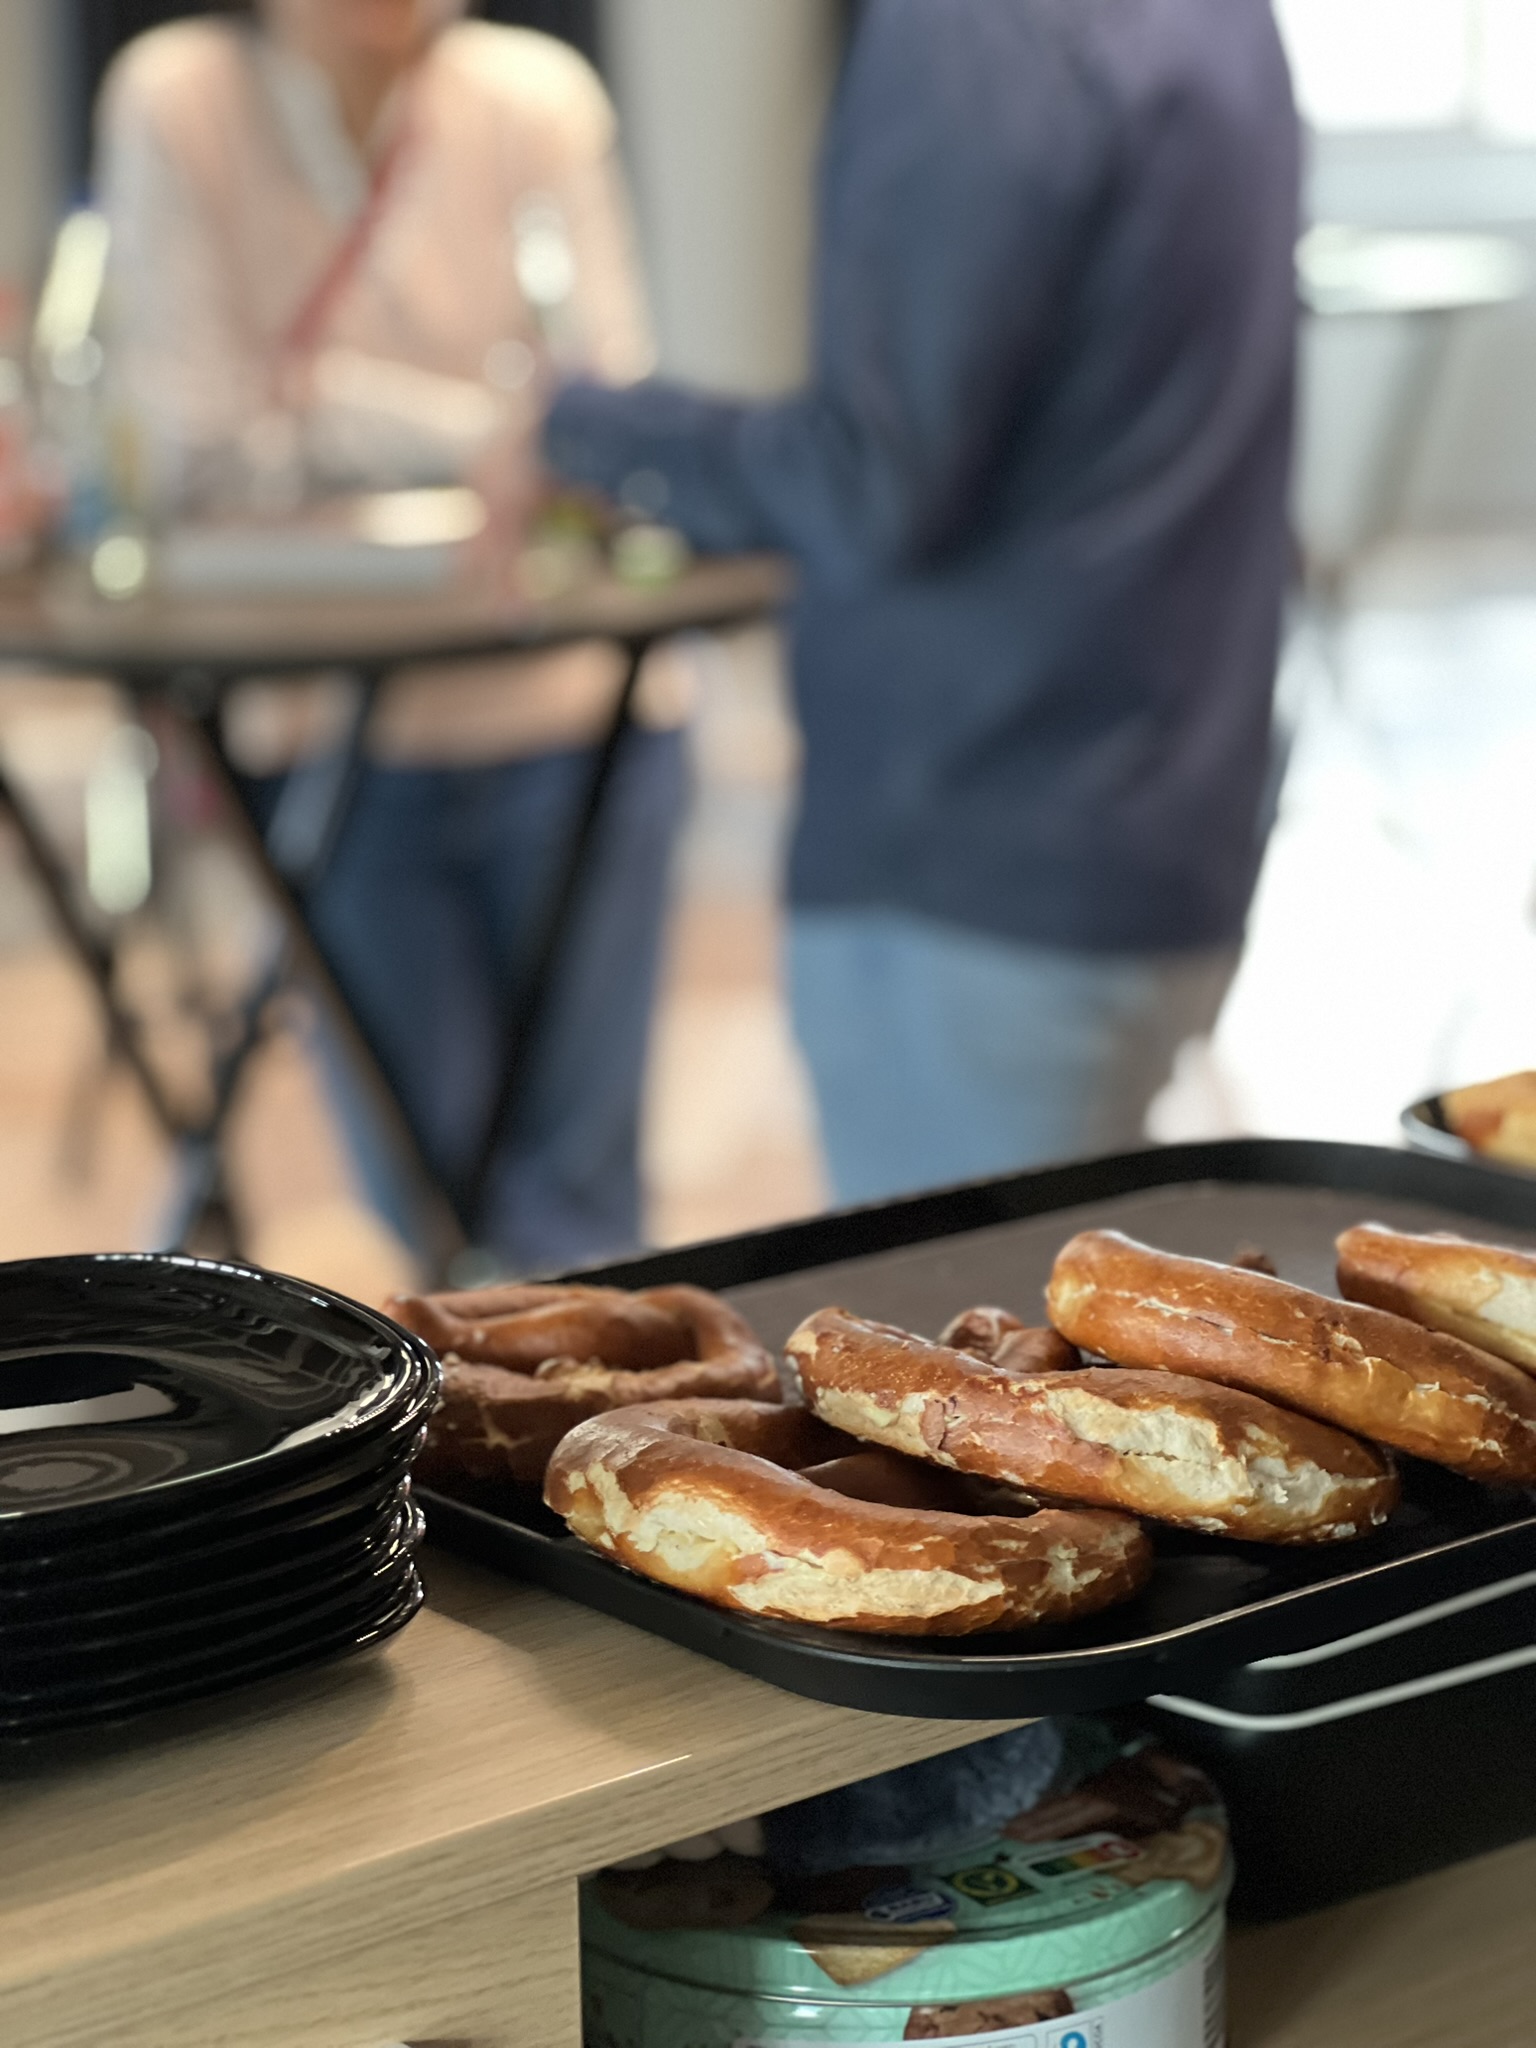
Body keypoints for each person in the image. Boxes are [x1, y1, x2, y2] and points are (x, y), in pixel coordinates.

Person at [543, 0, 1299, 1205]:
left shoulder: (977, 34)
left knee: (959, 1321)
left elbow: (877, 480)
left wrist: (580, 428)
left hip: (982, 849)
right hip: (1162, 823)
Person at [98, 0, 686, 1271]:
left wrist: (321, 405)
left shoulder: (532, 97)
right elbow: (198, 443)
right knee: (429, 1208)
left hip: (575, 703)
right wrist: (490, 436)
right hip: (333, 733)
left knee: (586, 1215)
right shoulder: (181, 98)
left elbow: (605, 415)